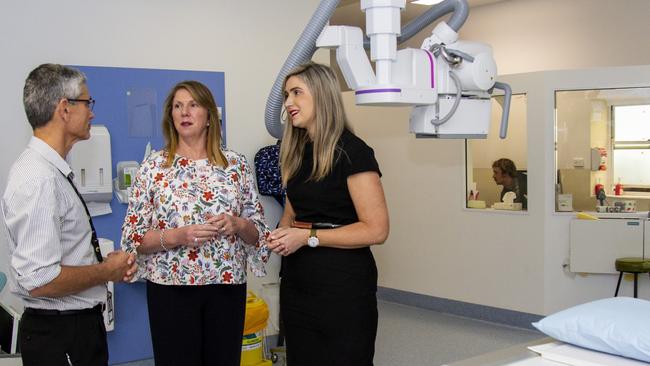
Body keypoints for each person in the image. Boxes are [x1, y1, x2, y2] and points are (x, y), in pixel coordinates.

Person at [121, 80, 270, 366]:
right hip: (171, 290)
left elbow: (259, 233)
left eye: (193, 105)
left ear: (210, 117)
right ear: (170, 116)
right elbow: (133, 238)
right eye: (177, 106)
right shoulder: (153, 167)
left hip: (225, 288)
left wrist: (237, 224)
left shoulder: (235, 165)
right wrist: (178, 236)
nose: (184, 112)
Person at [1, 63, 137, 366]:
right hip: (61, 333)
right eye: (87, 103)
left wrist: (105, 266)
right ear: (64, 108)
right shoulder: (38, 179)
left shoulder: (52, 172)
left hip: (75, 328)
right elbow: (40, 279)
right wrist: (107, 272)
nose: (92, 112)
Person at [268, 62, 390, 366]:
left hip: (342, 284)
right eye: (286, 95)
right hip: (298, 282)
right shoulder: (295, 153)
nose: (288, 103)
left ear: (322, 95)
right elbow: (291, 215)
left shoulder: (353, 152)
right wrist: (278, 236)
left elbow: (376, 230)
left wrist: (307, 237)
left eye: (297, 93)